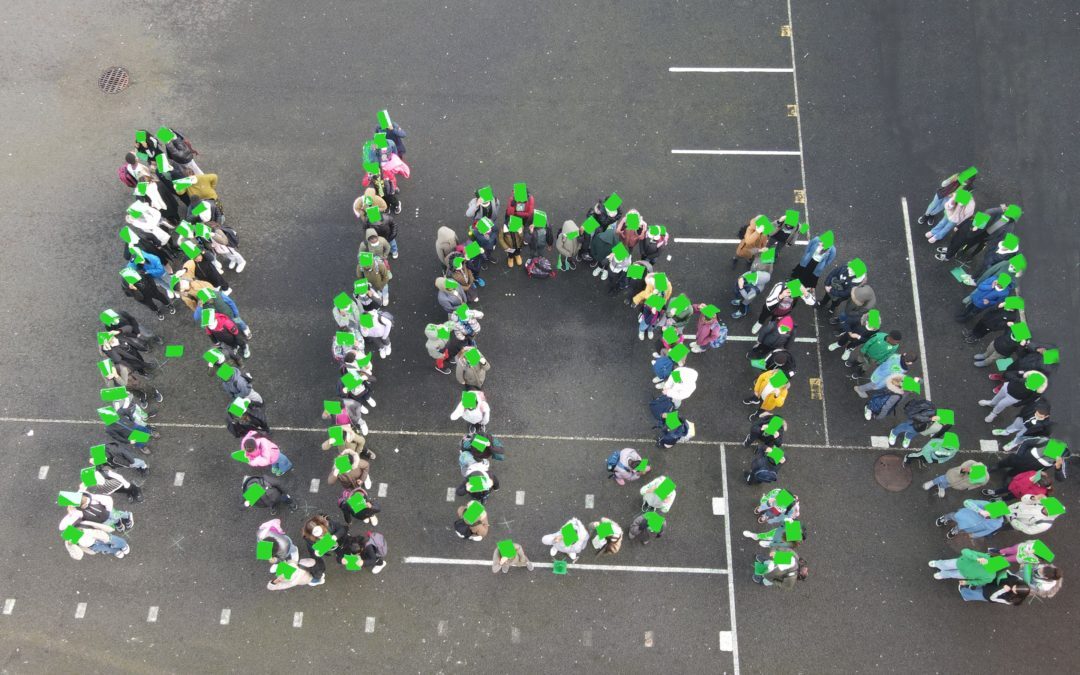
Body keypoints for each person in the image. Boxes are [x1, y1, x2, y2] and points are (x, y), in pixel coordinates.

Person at [979, 371, 1048, 424]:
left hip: (1014, 398)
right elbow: (1009, 374)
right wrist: (1017, 379)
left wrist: (1019, 404)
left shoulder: (1036, 392)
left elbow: (1029, 400)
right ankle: (992, 403)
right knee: (997, 397)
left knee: (1001, 404)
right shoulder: (1023, 375)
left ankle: (993, 413)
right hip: (1006, 388)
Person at [936, 499, 1008, 539]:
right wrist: (980, 511)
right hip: (964, 516)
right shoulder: (986, 504)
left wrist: (975, 535)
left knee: (961, 528)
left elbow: (987, 531)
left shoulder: (998, 524)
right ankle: (945, 518)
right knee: (953, 516)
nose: (988, 515)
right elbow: (967, 502)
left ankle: (956, 530)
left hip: (970, 528)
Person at [929, 549, 1004, 585]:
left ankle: (943, 574)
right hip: (961, 563)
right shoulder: (985, 557)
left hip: (963, 574)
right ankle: (938, 564)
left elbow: (979, 582)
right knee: (946, 564)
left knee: (952, 574)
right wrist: (977, 558)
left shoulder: (991, 577)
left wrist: (967, 582)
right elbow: (965, 551)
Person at [922, 460, 989, 498]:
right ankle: (932, 482)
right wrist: (964, 470)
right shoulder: (971, 463)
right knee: (943, 479)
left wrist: (969, 487)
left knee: (948, 485)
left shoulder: (985, 479)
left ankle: (942, 487)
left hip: (960, 485)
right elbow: (959, 470)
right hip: (953, 476)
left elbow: (978, 485)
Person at [62, 525, 131, 560]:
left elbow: (94, 531)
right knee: (106, 548)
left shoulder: (84, 529)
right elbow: (78, 556)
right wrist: (70, 545)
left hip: (97, 536)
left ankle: (123, 545)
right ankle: (115, 550)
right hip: (92, 546)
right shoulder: (70, 542)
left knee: (112, 540)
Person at [981, 469, 1052, 500]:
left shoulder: (1041, 492)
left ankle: (1000, 499)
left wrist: (1029, 481)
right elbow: (1022, 475)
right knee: (1003, 489)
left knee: (1009, 497)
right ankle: (994, 492)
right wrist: (1015, 479)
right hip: (1013, 485)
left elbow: (1025, 493)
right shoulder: (1034, 474)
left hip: (1017, 494)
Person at [958, 579, 1030, 605]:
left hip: (988, 595)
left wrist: (1002, 590)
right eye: (1016, 586)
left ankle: (964, 594)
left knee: (977, 594)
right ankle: (970, 590)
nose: (1013, 588)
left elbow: (993, 598)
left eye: (1016, 590)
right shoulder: (1015, 580)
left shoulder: (1010, 600)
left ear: (1018, 595)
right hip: (990, 587)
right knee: (981, 588)